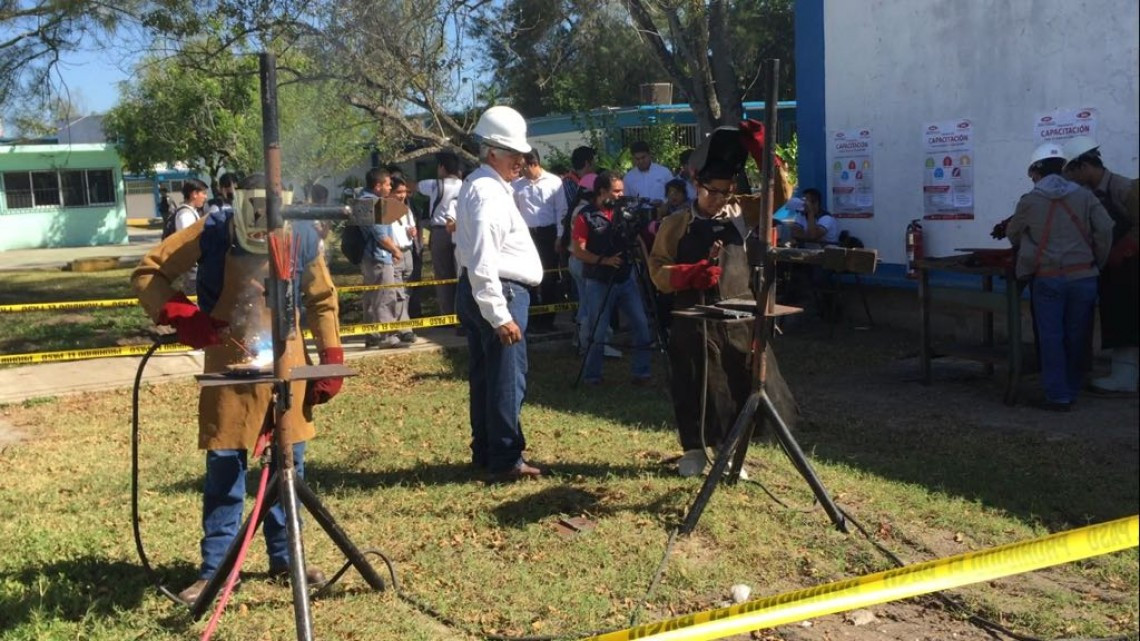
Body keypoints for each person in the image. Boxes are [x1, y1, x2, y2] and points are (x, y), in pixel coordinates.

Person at [131, 173, 343, 602]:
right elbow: (148, 272)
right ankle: (216, 569)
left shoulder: (300, 231)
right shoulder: (212, 230)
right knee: (226, 466)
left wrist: (332, 358)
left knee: (290, 463)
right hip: (229, 358)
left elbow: (321, 297)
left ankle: (287, 556)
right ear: (239, 204)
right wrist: (181, 313)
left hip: (288, 359)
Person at [649, 122, 798, 477]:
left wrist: (764, 152)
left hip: (739, 318)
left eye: (725, 192)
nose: (719, 200)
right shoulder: (675, 225)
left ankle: (731, 451)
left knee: (737, 383)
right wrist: (689, 274)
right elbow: (657, 270)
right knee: (693, 384)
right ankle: (694, 449)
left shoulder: (744, 211)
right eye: (711, 192)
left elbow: (782, 195)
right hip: (691, 319)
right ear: (697, 186)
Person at [454, 105, 545, 481]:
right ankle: (506, 458)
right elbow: (483, 259)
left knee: (486, 377)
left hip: (486, 291)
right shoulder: (489, 193)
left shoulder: (481, 187)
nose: (521, 163)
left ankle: (488, 450)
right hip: (501, 292)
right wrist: (499, 313)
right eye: (515, 155)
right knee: (507, 380)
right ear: (493, 152)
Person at [1005, 143, 1113, 411]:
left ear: (1037, 171)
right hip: (1084, 276)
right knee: (1077, 335)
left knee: (1051, 336)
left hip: (1048, 277)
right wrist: (1096, 260)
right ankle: (1074, 386)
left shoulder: (1030, 201)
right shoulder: (1085, 196)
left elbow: (1013, 234)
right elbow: (1105, 229)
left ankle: (1058, 395)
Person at [1062, 136, 1139, 394]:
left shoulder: (1124, 188)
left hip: (1131, 266)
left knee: (1129, 317)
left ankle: (1126, 377)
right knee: (1117, 317)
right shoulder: (1086, 195)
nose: (1068, 179)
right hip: (1111, 267)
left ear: (1083, 166)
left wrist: (1124, 248)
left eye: (1070, 172)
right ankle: (1124, 374)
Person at [570, 170, 653, 386]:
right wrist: (604, 260)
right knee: (598, 331)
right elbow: (578, 251)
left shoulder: (624, 212)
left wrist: (648, 263)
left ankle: (641, 373)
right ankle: (592, 377)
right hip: (598, 280)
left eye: (622, 191)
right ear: (602, 191)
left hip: (626, 278)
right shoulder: (585, 215)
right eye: (616, 191)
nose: (620, 195)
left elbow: (638, 241)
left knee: (642, 325)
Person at [513, 149, 568, 333]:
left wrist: (560, 236)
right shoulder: (517, 185)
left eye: (523, 167)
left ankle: (547, 320)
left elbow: (561, 211)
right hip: (526, 234)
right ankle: (532, 318)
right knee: (527, 276)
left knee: (549, 276)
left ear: (533, 164)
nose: (521, 171)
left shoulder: (554, 182)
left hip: (548, 233)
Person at [358, 168, 407, 349]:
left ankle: (372, 335)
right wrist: (395, 250)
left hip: (367, 257)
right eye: (387, 184)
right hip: (379, 257)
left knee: (371, 297)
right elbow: (380, 234)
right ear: (377, 186)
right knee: (386, 295)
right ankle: (388, 336)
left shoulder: (361, 201)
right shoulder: (375, 203)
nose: (390, 187)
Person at [418, 152, 463, 322]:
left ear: (442, 168)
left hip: (440, 231)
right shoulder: (465, 185)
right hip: (461, 231)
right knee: (460, 273)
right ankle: (462, 315)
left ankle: (447, 315)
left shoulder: (433, 184)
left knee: (443, 275)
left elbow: (414, 187)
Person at [388, 175, 418, 343]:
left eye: (404, 192)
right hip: (395, 253)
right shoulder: (385, 210)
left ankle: (401, 323)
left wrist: (412, 232)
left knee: (406, 292)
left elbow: (410, 228)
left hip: (407, 253)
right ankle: (404, 329)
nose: (402, 195)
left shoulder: (406, 210)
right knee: (398, 292)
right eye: (398, 192)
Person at [171, 178, 210, 294]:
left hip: (194, 266)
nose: (205, 197)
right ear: (194, 194)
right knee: (194, 297)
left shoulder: (191, 212)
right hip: (192, 268)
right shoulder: (186, 215)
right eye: (203, 193)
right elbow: (188, 241)